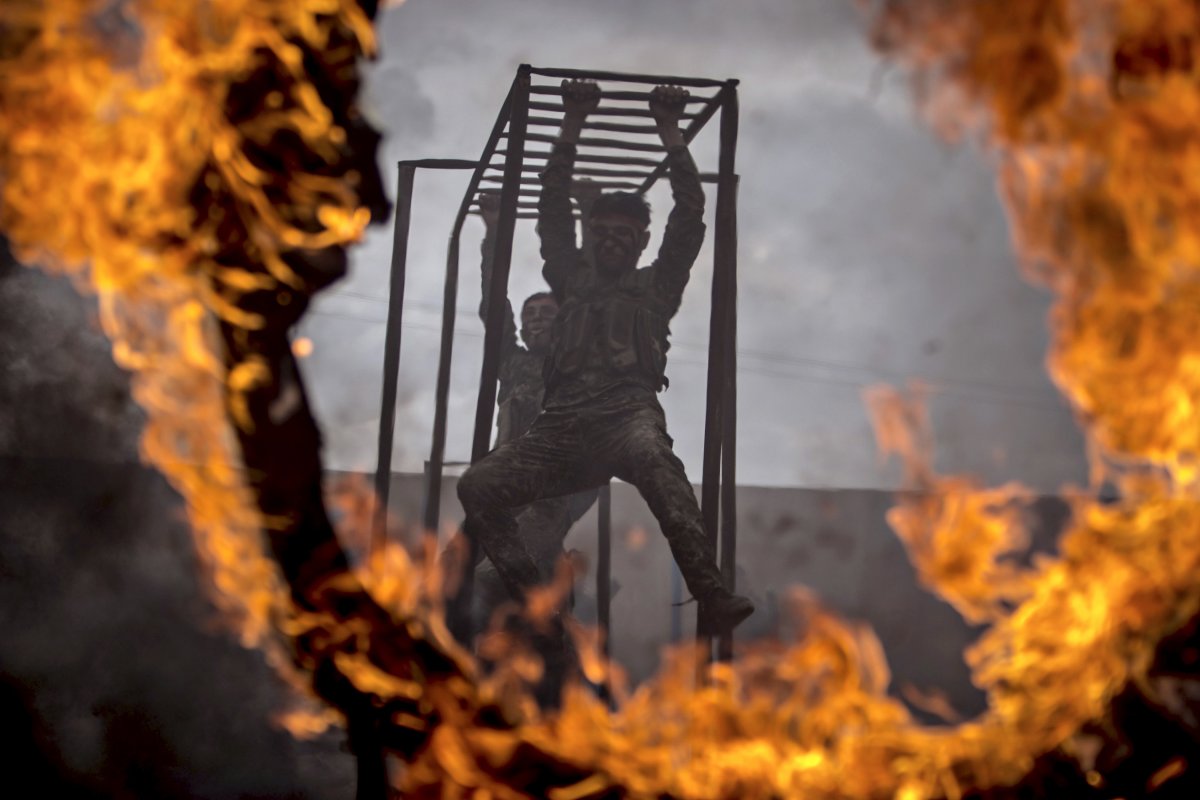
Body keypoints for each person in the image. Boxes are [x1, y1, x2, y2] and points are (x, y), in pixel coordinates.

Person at [456, 80, 754, 643]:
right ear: (588, 238)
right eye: (603, 232)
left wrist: (669, 130)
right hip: (561, 428)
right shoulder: (570, 279)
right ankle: (527, 596)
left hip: (624, 414)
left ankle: (712, 595)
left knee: (663, 472)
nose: (613, 241)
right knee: (478, 486)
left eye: (625, 234)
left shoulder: (655, 288)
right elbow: (550, 208)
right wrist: (573, 121)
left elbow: (690, 213)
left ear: (641, 240)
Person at [459, 190, 600, 636]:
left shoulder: (575, 363)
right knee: (454, 572)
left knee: (500, 573)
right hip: (506, 485)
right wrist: (495, 234)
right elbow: (492, 307)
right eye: (529, 314)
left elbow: (587, 297)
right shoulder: (514, 363)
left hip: (552, 490)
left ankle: (550, 643)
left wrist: (590, 226)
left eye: (546, 313)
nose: (535, 320)